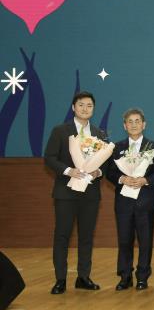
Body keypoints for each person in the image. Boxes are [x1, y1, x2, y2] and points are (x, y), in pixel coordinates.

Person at [44, 91, 107, 294]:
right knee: (62, 235)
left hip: (90, 193)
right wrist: (68, 170)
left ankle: (83, 277)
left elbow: (106, 165)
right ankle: (60, 279)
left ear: (93, 109)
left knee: (86, 236)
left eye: (89, 105)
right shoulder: (60, 131)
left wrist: (98, 172)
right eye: (81, 105)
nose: (85, 109)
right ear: (73, 107)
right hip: (66, 192)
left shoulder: (99, 133)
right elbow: (49, 158)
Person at [106, 108, 154, 291]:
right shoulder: (116, 148)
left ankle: (142, 277)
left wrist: (145, 180)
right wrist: (122, 178)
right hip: (123, 202)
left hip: (145, 202)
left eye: (137, 121)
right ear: (124, 126)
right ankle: (125, 277)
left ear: (144, 124)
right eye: (129, 122)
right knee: (124, 240)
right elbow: (110, 172)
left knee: (145, 242)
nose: (133, 125)